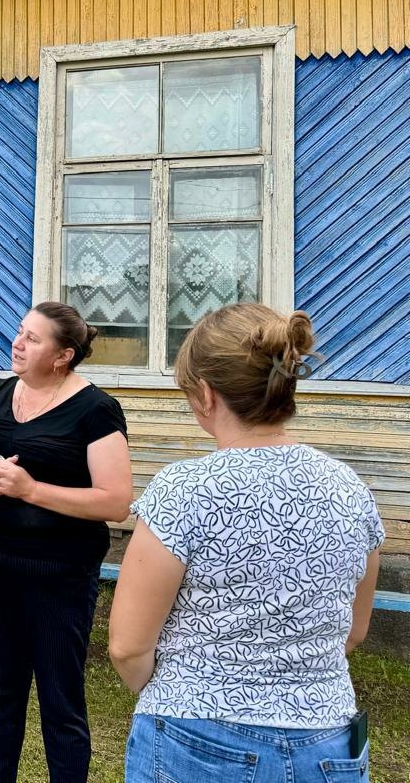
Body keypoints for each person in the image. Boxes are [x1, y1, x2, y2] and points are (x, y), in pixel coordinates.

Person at [109, 303, 384, 783]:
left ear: (206, 395)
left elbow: (128, 648)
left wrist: (176, 694)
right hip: (329, 742)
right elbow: (354, 632)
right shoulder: (350, 489)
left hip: (195, 738)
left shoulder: (182, 491)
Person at [0, 300, 133, 783]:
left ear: (63, 356)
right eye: (19, 332)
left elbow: (115, 501)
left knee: (59, 698)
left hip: (59, 574)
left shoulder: (95, 410)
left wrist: (30, 490)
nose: (18, 342)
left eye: (32, 338)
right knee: (1, 691)